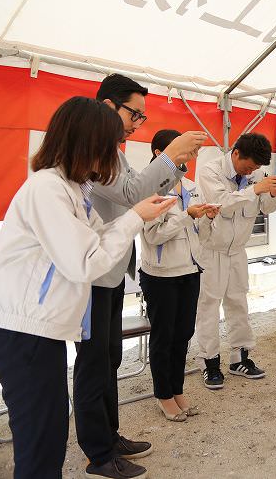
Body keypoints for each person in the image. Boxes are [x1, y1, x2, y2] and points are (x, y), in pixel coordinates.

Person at [0, 97, 175, 479]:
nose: (110, 158)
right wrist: (135, 217)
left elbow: (99, 238)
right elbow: (87, 261)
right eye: (106, 148)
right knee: (41, 445)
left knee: (50, 436)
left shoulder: (72, 189)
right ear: (85, 143)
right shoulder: (47, 189)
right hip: (24, 334)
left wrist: (136, 216)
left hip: (42, 331)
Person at [74, 74, 206, 479]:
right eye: (134, 113)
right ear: (108, 106)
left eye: (142, 116)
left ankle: (110, 436)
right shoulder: (93, 151)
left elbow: (136, 191)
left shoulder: (113, 150)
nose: (137, 123)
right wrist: (169, 158)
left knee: (110, 358)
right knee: (94, 363)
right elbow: (132, 194)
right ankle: (98, 453)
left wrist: (172, 165)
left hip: (112, 271)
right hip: (93, 274)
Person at [138, 130, 219, 422]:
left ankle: (177, 389)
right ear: (162, 154)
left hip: (190, 269)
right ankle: (163, 395)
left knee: (184, 334)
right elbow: (154, 235)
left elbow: (198, 234)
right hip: (161, 275)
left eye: (192, 154)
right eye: (186, 152)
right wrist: (189, 216)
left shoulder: (190, 186)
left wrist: (207, 218)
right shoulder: (149, 189)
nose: (191, 159)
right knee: (164, 336)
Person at [194, 133, 276, 388]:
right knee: (209, 306)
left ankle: (239, 357)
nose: (253, 171)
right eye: (249, 166)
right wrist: (255, 189)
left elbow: (266, 208)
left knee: (238, 302)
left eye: (256, 169)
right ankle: (209, 361)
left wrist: (273, 194)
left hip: (237, 252)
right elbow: (222, 204)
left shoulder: (255, 176)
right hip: (211, 250)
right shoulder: (210, 171)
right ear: (235, 154)